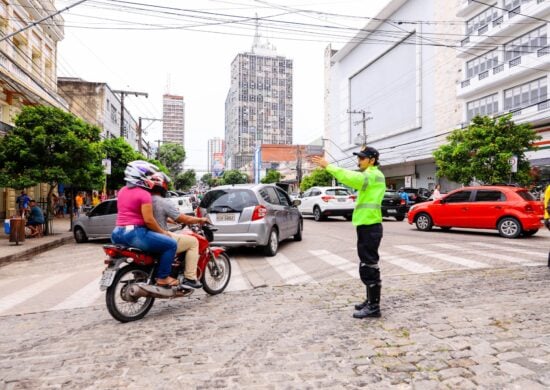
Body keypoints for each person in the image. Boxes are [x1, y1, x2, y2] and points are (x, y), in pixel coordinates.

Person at [312, 146, 386, 319]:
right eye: (358, 157)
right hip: (367, 224)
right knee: (366, 263)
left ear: (372, 160)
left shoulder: (372, 175)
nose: (358, 160)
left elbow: (350, 177)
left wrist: (328, 166)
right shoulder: (373, 175)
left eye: (362, 158)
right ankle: (370, 300)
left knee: (369, 265)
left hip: (370, 225)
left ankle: (374, 307)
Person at [111, 160, 179, 287]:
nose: (150, 178)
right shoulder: (144, 194)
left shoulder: (121, 191)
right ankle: (163, 277)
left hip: (117, 233)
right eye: (147, 175)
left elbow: (133, 212)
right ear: (139, 175)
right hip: (135, 234)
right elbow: (149, 220)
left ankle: (144, 273)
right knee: (171, 244)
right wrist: (164, 232)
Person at [149, 172, 210, 289]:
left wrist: (170, 221)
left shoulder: (145, 200)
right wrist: (200, 219)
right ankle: (190, 278)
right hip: (160, 236)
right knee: (193, 242)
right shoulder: (164, 202)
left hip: (148, 235)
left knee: (177, 236)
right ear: (164, 186)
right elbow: (183, 218)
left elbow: (153, 217)